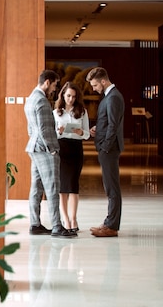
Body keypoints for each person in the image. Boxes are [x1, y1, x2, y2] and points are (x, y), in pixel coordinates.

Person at [25, 70, 75, 238]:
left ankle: (35, 224)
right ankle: (56, 226)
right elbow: (45, 130)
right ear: (47, 82)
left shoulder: (30, 99)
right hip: (45, 150)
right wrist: (52, 149)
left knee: (36, 188)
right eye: (54, 85)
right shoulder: (41, 101)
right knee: (53, 187)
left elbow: (31, 129)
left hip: (34, 147)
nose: (54, 89)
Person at [86, 67, 124, 237]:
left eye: (95, 85)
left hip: (109, 149)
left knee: (112, 188)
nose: (94, 89)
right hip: (106, 147)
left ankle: (111, 226)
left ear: (103, 81)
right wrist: (97, 129)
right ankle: (109, 222)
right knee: (110, 187)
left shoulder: (113, 97)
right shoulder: (109, 96)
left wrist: (105, 146)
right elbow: (108, 122)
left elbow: (114, 126)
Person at [53, 82, 90, 234]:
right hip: (62, 149)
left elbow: (87, 134)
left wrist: (81, 132)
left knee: (73, 185)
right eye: (68, 96)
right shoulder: (56, 112)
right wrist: (59, 132)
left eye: (74, 97)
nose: (71, 99)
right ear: (62, 95)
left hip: (76, 148)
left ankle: (74, 219)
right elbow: (52, 135)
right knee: (62, 188)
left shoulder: (82, 111)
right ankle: (65, 220)